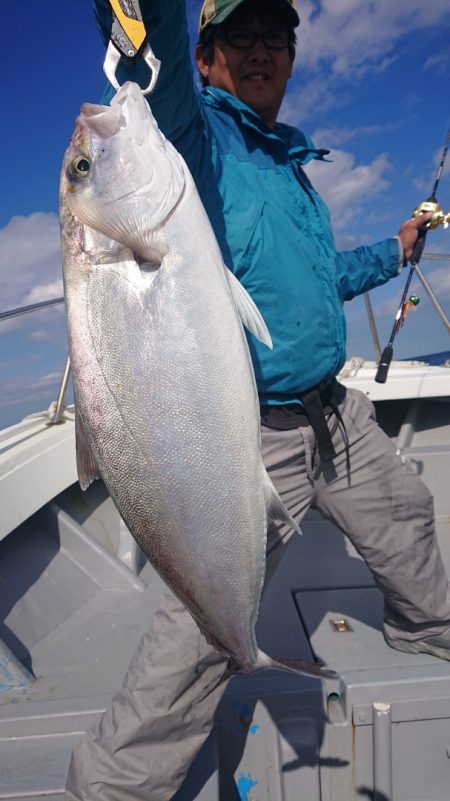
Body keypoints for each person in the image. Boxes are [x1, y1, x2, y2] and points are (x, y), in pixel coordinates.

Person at [66, 1, 450, 798]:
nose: (262, 49)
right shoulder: (194, 143)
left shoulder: (287, 165)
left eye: (277, 33)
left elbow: (324, 281)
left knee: (407, 507)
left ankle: (429, 628)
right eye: (239, 36)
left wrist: (398, 248)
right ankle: (107, 787)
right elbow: (154, 59)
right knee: (199, 635)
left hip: (335, 412)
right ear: (206, 58)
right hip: (255, 431)